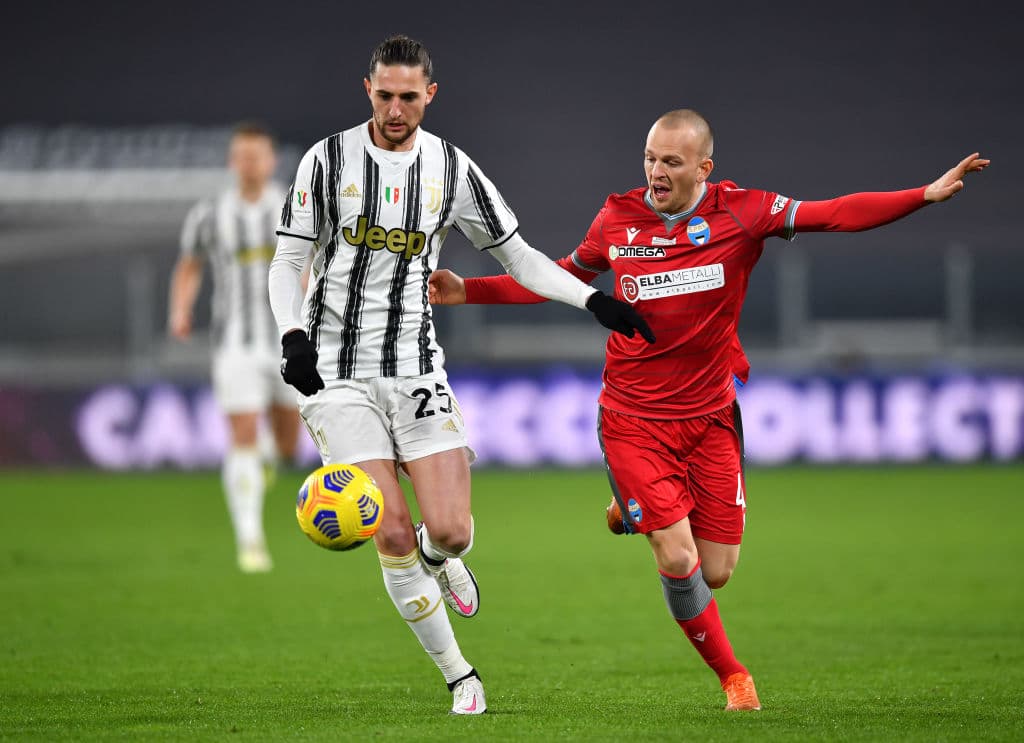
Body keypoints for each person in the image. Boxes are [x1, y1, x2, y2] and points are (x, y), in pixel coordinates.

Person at [428, 108, 989, 711]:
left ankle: (633, 509)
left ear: (704, 168)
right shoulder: (617, 218)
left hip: (711, 417)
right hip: (633, 419)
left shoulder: (743, 212)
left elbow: (834, 213)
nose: (656, 171)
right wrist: (470, 290)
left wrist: (923, 195)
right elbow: (561, 275)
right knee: (678, 555)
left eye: (671, 161)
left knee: (715, 571)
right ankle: (733, 677)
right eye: (650, 158)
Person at [267, 34, 651, 716]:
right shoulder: (326, 161)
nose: (395, 109)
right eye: (385, 95)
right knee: (388, 531)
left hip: (415, 366)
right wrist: (292, 335)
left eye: (409, 97)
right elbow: (288, 258)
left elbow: (520, 257)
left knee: (449, 531)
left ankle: (441, 559)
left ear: (430, 95)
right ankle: (460, 676)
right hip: (336, 375)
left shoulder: (451, 168)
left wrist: (592, 301)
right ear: (368, 90)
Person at [169, 122, 304, 573]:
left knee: (288, 445)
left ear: (271, 161)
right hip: (235, 343)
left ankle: (268, 458)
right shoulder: (210, 214)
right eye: (242, 156)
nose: (249, 164)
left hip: (289, 339)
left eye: (257, 156)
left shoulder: (294, 207)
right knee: (242, 433)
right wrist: (180, 309)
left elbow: (315, 260)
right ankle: (250, 538)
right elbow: (189, 265)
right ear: (233, 162)